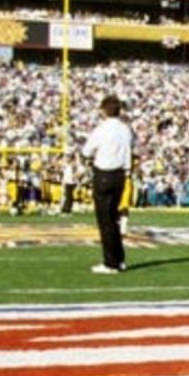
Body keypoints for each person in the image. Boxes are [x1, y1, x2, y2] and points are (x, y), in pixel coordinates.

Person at [81, 95, 133, 274]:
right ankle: (119, 259)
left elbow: (86, 150)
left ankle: (110, 263)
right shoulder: (125, 129)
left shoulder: (102, 129)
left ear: (104, 111)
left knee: (105, 221)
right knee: (114, 220)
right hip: (120, 174)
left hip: (104, 174)